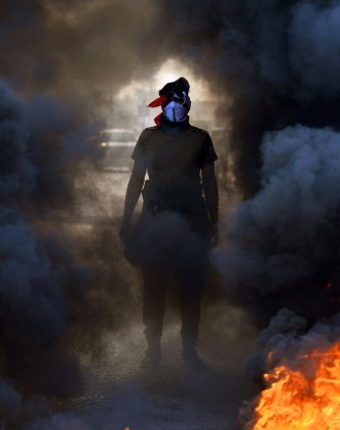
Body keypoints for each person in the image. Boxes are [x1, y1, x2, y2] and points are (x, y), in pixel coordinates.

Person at [119, 77, 219, 369]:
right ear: (164, 104)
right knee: (154, 288)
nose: (177, 105)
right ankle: (153, 351)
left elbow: (210, 183)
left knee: (191, 288)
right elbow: (137, 180)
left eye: (182, 100)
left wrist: (214, 222)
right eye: (172, 100)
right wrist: (127, 219)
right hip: (155, 220)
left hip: (192, 221)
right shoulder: (149, 137)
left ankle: (189, 351)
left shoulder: (200, 138)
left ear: (188, 104)